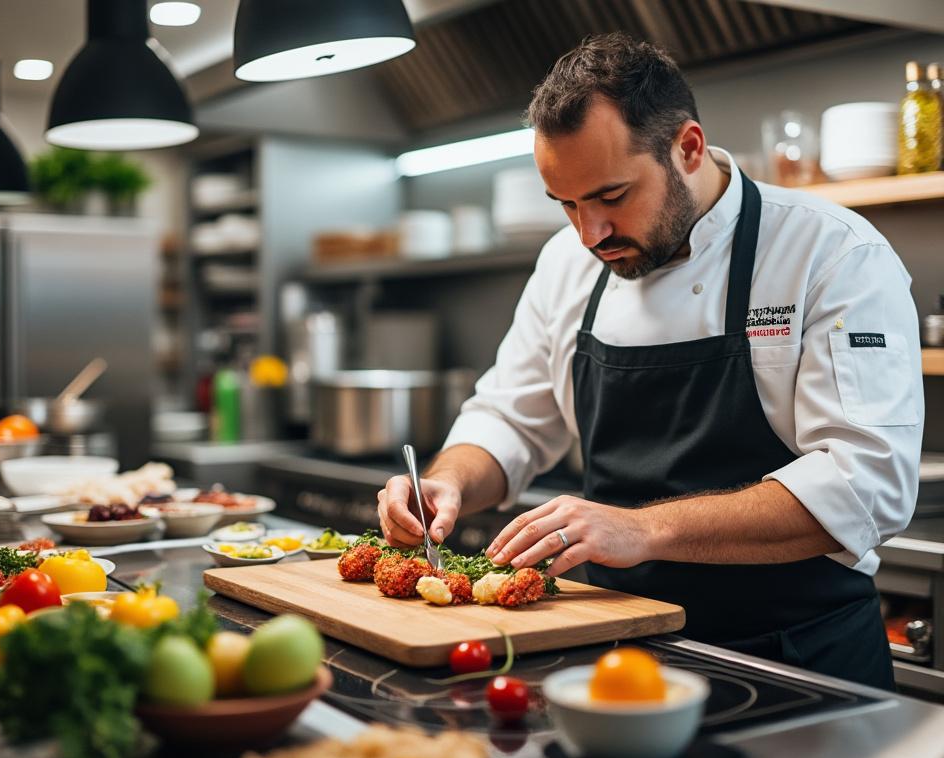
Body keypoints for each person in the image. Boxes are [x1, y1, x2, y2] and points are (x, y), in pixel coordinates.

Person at [377, 33, 923, 690]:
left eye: (611, 196)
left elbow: (867, 484)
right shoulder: (565, 263)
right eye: (567, 204)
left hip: (796, 657)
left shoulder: (830, 253)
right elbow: (512, 419)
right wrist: (451, 482)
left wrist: (646, 530)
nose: (589, 234)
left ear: (688, 148)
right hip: (613, 652)